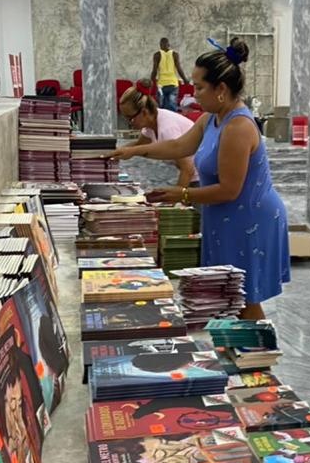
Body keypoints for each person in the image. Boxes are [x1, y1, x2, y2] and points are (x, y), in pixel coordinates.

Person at [110, 39, 290, 321]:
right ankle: (239, 355)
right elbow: (178, 147)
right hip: (225, 216)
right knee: (226, 294)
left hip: (249, 219)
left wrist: (180, 195)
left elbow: (230, 190)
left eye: (199, 87)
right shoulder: (211, 118)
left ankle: (259, 359)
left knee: (243, 297)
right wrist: (133, 150)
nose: (193, 94)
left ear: (221, 89)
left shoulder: (238, 126)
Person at [118, 86, 198, 187]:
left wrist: (175, 199)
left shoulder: (167, 129)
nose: (129, 123)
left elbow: (188, 169)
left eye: (130, 118)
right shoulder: (150, 124)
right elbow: (138, 145)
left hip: (199, 178)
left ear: (144, 112)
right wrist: (114, 153)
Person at [150, 37, 188, 112]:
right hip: (173, 84)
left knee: (161, 107)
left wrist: (152, 80)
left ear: (160, 45)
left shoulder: (157, 55)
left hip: (161, 84)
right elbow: (179, 68)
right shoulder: (175, 54)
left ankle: (163, 121)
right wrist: (185, 79)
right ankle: (171, 120)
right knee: (172, 105)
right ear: (169, 44)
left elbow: (154, 70)